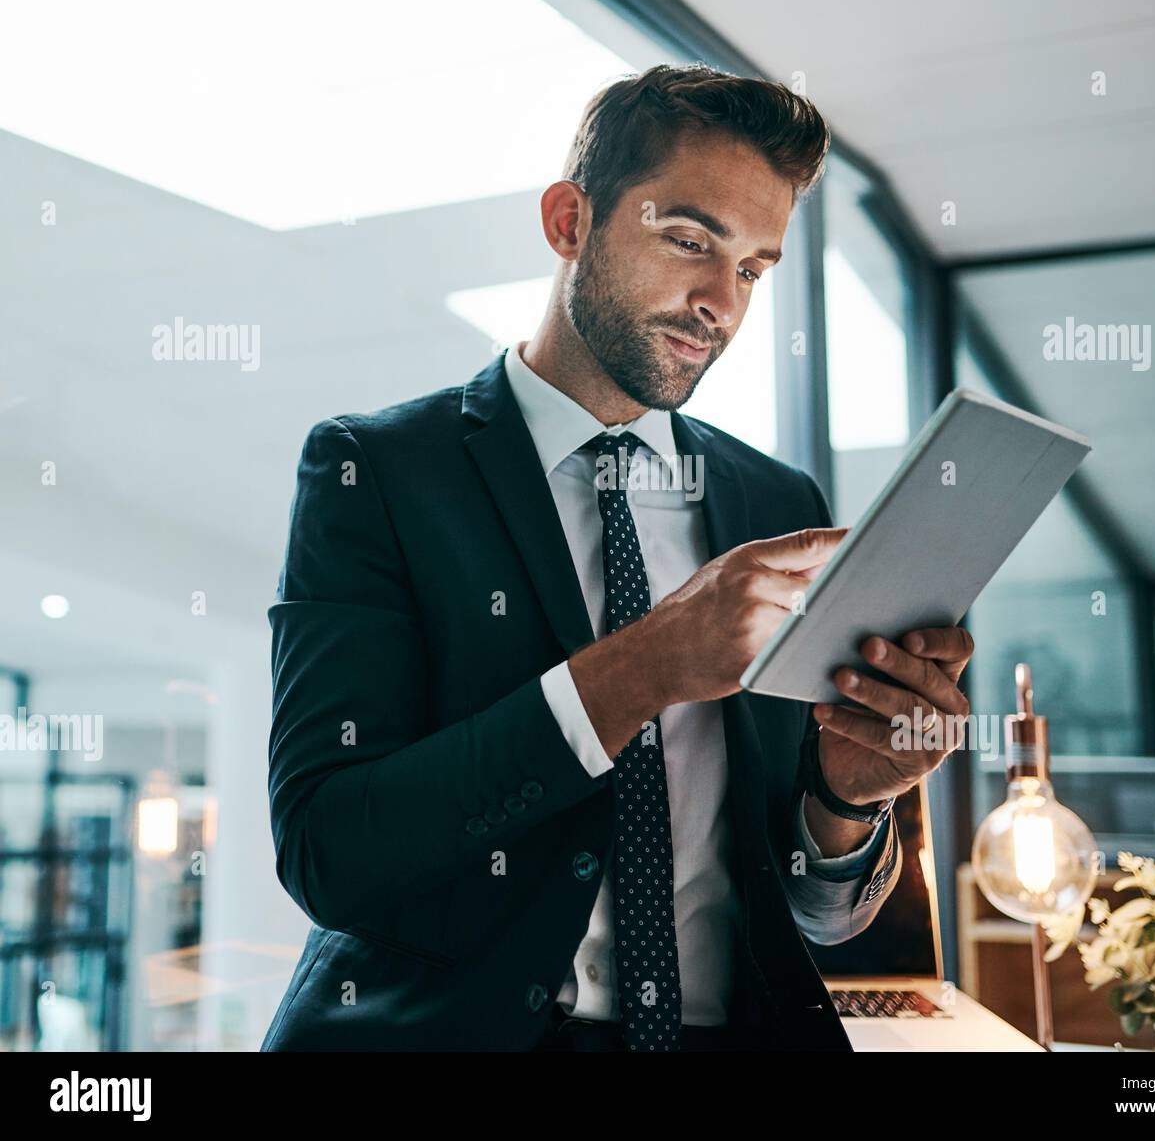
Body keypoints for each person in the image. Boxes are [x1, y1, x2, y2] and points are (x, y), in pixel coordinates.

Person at [260, 64, 973, 1053]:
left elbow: (818, 917)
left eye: (755, 268)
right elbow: (327, 849)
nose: (720, 301)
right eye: (690, 240)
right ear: (568, 222)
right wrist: (644, 666)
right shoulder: (375, 472)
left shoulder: (777, 507)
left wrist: (846, 800)